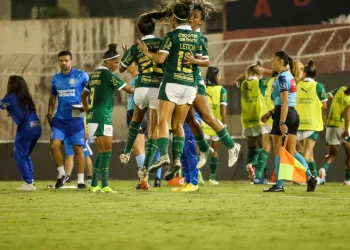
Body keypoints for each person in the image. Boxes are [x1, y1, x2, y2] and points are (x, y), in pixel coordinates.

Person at [137, 4, 204, 181]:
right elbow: (204, 60)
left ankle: (165, 156)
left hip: (172, 83)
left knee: (162, 121)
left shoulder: (172, 36)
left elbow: (160, 58)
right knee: (178, 126)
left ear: (173, 18)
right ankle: (176, 161)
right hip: (190, 85)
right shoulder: (198, 37)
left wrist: (147, 53)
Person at [183, 0, 241, 170]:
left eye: (195, 17)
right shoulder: (185, 35)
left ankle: (232, 146)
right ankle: (204, 149)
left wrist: (194, 60)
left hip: (194, 82)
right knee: (190, 119)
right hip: (185, 82)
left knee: (207, 117)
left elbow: (206, 61)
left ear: (201, 21)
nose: (191, 19)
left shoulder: (200, 38)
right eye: (190, 16)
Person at [118, 12, 164, 190]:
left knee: (135, 122)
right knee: (153, 130)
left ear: (139, 30)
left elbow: (122, 68)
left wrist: (128, 54)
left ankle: (127, 151)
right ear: (155, 27)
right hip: (156, 89)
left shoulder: (136, 47)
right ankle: (146, 170)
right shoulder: (161, 43)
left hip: (141, 88)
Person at [81, 44, 134, 193]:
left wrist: (88, 112)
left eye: (118, 62)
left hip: (92, 117)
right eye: (116, 62)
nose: (118, 65)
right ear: (107, 62)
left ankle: (94, 184)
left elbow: (83, 96)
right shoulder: (109, 75)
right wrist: (143, 87)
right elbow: (129, 90)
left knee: (101, 151)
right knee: (107, 151)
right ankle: (104, 185)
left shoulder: (94, 75)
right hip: (103, 116)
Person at [262, 51, 317, 192]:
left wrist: (281, 122)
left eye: (273, 60)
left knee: (279, 150)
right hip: (292, 114)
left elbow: (284, 102)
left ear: (280, 61)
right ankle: (310, 177)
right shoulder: (289, 76)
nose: (271, 63)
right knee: (291, 151)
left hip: (284, 115)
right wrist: (270, 113)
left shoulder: (282, 78)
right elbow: (286, 102)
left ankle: (279, 185)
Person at [47, 51, 89, 188]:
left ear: (71, 61)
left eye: (66, 60)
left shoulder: (81, 76)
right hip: (60, 118)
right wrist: (49, 112)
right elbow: (53, 96)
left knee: (78, 150)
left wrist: (87, 112)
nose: (63, 63)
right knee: (54, 145)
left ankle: (81, 181)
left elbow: (91, 94)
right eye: (61, 61)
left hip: (76, 119)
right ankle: (62, 174)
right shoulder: (56, 79)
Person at [0, 75, 42, 191]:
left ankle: (28, 182)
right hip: (37, 126)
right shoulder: (26, 98)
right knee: (25, 155)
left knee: (18, 154)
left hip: (26, 126)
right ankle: (31, 182)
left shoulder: (10, 97)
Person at [124, 62, 162, 190]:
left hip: (136, 115)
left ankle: (144, 180)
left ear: (137, 65)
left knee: (139, 150)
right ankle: (144, 180)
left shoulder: (139, 79)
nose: (128, 65)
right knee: (137, 150)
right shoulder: (135, 78)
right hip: (136, 115)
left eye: (131, 63)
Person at [295, 60, 327, 180]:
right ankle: (304, 177)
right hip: (312, 124)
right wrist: (323, 117)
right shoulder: (319, 86)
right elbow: (324, 105)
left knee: (307, 153)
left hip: (298, 124)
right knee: (307, 153)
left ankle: (314, 177)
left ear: (305, 73)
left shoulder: (297, 85)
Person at [318, 85, 350, 185]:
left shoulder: (339, 89)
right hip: (343, 128)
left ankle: (323, 169)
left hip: (331, 126)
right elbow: (347, 113)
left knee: (332, 154)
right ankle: (347, 180)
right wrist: (345, 129)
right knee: (349, 154)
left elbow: (327, 96)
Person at [201, 66, 227, 185]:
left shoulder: (203, 88)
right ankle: (212, 178)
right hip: (216, 124)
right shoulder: (222, 90)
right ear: (216, 77)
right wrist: (224, 124)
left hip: (203, 123)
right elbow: (223, 108)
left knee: (200, 150)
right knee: (215, 151)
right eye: (220, 75)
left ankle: (197, 175)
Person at [172, 112, 201, 192]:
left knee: (189, 151)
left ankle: (194, 183)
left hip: (190, 120)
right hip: (181, 121)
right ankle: (187, 182)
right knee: (183, 153)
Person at [64, 119, 93, 186]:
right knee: (69, 153)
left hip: (81, 130)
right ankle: (67, 177)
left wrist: (86, 130)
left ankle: (89, 178)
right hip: (69, 131)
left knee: (86, 155)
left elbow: (85, 115)